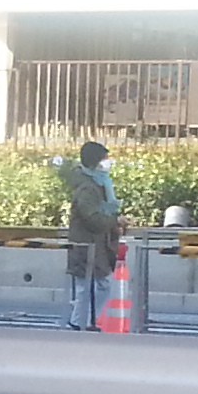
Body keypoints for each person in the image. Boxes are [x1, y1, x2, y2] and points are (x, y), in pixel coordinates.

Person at [63, 138, 123, 327]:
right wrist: (115, 221)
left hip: (95, 244)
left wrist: (114, 221)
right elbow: (93, 219)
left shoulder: (97, 184)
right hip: (86, 244)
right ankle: (81, 322)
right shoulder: (88, 188)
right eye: (104, 159)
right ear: (94, 162)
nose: (107, 163)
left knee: (94, 285)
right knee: (90, 285)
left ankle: (83, 321)